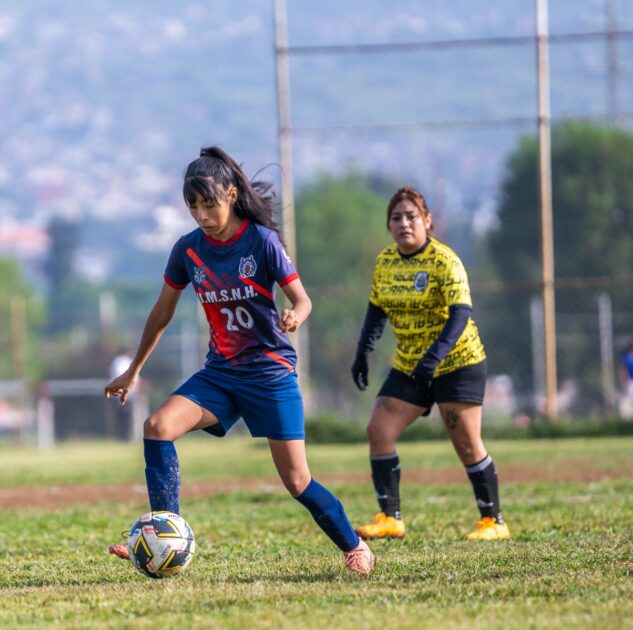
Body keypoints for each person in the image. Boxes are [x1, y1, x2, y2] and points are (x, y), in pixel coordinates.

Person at [104, 146, 376, 573]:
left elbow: (303, 300)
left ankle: (355, 546)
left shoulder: (261, 242)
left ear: (231, 195)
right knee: (157, 427)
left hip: (270, 374)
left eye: (209, 204)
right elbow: (162, 312)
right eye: (193, 206)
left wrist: (295, 315)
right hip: (221, 374)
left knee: (297, 481)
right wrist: (133, 369)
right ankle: (161, 537)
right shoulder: (187, 250)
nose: (202, 215)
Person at [350, 186, 510, 541]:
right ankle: (390, 518)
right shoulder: (386, 262)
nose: (404, 223)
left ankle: (494, 522)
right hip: (410, 364)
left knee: (466, 443)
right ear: (389, 225)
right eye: (396, 218)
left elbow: (460, 314)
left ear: (427, 221)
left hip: (457, 362)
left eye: (411, 216)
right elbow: (376, 309)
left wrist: (434, 358)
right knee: (379, 430)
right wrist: (363, 352)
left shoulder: (444, 260)